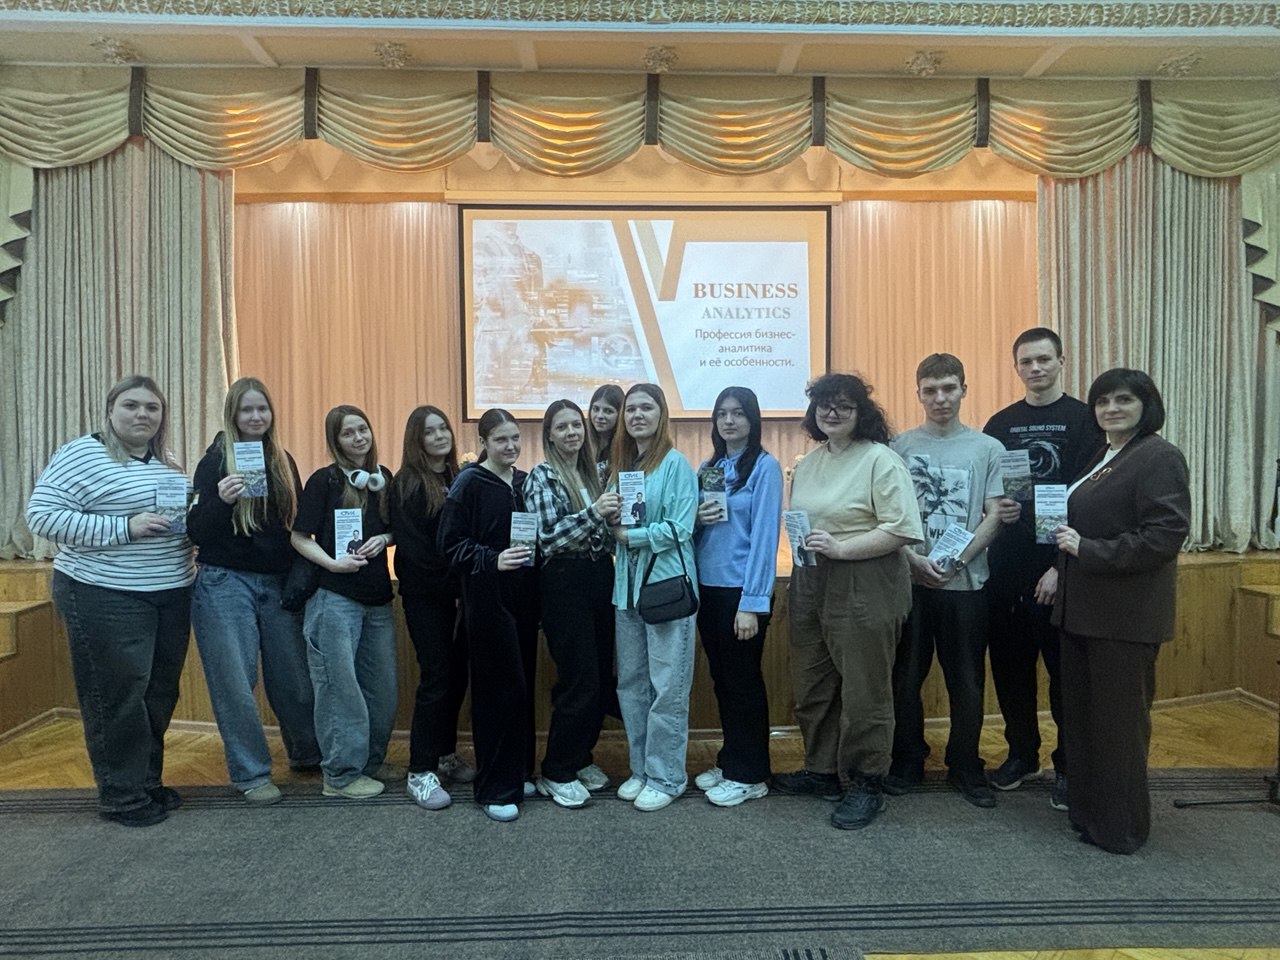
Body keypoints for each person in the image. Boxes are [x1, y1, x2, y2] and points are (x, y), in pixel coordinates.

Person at [27, 375, 195, 827]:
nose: (143, 414)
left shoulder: (168, 462)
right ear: (110, 410)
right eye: (131, 405)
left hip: (171, 593)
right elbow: (41, 516)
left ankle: (146, 782)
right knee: (118, 697)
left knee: (158, 694)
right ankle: (122, 795)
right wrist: (125, 527)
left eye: (152, 408)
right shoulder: (83, 453)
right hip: (105, 594)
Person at [1036, 368, 1189, 854]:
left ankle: (1121, 829)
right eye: (1102, 401)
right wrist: (1063, 563)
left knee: (1119, 730)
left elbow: (1164, 536)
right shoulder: (1105, 455)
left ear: (1147, 405)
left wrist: (1088, 550)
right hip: (1081, 614)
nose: (1111, 409)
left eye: (1123, 400)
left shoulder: (1159, 457)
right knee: (1084, 724)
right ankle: (1089, 816)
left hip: (1124, 620)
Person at [773, 373, 922, 831]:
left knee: (864, 689)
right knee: (813, 682)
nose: (832, 413)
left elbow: (901, 529)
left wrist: (841, 548)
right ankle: (821, 770)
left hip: (865, 580)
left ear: (862, 413)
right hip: (811, 580)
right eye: (824, 405)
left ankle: (865, 780)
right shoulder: (810, 463)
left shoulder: (880, 460)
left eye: (844, 405)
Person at [983, 328, 1102, 809]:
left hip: (1060, 570)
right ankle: (1022, 754)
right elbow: (992, 491)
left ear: (1061, 361)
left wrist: (1060, 567)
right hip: (1007, 569)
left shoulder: (1085, 420)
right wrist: (999, 508)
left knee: (1064, 675)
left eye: (1043, 359)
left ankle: (1069, 765)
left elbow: (1091, 500)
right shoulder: (1001, 424)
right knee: (1011, 670)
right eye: (1026, 361)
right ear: (1016, 367)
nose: (1035, 368)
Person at [187, 376, 320, 806]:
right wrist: (221, 500)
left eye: (262, 408)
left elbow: (295, 525)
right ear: (233, 414)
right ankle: (251, 772)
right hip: (225, 582)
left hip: (277, 582)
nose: (256, 416)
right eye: (247, 409)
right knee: (235, 682)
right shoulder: (214, 461)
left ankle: (306, 753)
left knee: (294, 678)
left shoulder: (282, 460)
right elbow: (196, 531)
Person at [888, 354, 1005, 808]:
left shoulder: (987, 448)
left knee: (967, 681)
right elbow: (885, 515)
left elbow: (995, 515)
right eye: (931, 390)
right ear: (918, 393)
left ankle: (966, 765)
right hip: (910, 584)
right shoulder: (898, 447)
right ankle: (907, 760)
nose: (940, 398)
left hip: (966, 586)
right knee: (905, 679)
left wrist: (957, 561)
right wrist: (914, 562)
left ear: (963, 390)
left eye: (949, 388)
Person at [290, 405, 399, 800]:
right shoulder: (324, 481)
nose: (358, 438)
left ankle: (368, 763)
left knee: (382, 693)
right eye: (348, 433)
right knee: (340, 692)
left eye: (362, 429)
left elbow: (394, 529)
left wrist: (384, 539)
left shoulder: (382, 479)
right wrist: (332, 564)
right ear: (335, 441)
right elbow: (299, 537)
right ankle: (340, 775)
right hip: (334, 600)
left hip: (378, 601)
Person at [438, 409, 540, 822]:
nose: (511, 446)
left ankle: (517, 772)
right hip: (486, 602)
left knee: (521, 688)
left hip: (524, 599)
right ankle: (494, 787)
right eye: (501, 439)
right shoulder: (469, 483)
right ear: (483, 442)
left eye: (515, 438)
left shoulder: (524, 481)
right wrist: (491, 559)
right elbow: (449, 545)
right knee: (498, 692)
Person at [525, 400, 621, 807]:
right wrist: (596, 514)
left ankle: (581, 756)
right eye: (562, 427)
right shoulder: (542, 476)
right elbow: (548, 537)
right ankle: (557, 770)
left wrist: (615, 522)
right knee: (579, 679)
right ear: (548, 434)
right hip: (563, 584)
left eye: (576, 426)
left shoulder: (590, 474)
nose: (571, 433)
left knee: (599, 677)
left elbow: (602, 536)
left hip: (599, 578)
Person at [608, 383, 699, 812]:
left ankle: (667, 776)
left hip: (665, 590)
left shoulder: (676, 464)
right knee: (631, 685)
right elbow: (614, 526)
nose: (637, 416)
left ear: (662, 415)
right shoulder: (623, 466)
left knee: (668, 687)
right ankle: (641, 769)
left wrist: (633, 536)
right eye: (631, 409)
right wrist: (611, 522)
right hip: (626, 591)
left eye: (647, 408)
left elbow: (681, 528)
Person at [692, 386, 783, 808]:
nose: (729, 421)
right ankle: (732, 759)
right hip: (708, 590)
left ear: (753, 419)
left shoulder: (765, 467)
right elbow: (695, 531)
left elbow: (765, 539)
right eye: (722, 414)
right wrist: (695, 517)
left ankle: (751, 774)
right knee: (723, 681)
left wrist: (752, 602)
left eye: (738, 413)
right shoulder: (709, 467)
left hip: (741, 594)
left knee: (743, 683)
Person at [389, 405, 475, 813]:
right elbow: (416, 550)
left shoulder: (457, 477)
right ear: (416, 440)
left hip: (459, 595)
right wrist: (453, 583)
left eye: (444, 428)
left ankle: (444, 755)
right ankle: (419, 771)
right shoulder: (406, 483)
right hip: (427, 597)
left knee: (457, 677)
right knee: (437, 678)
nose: (440, 436)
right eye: (430, 431)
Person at [588, 383, 624, 481]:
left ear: (620, 414)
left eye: (608, 411)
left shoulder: (627, 448)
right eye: (595, 409)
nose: (600, 416)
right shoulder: (582, 444)